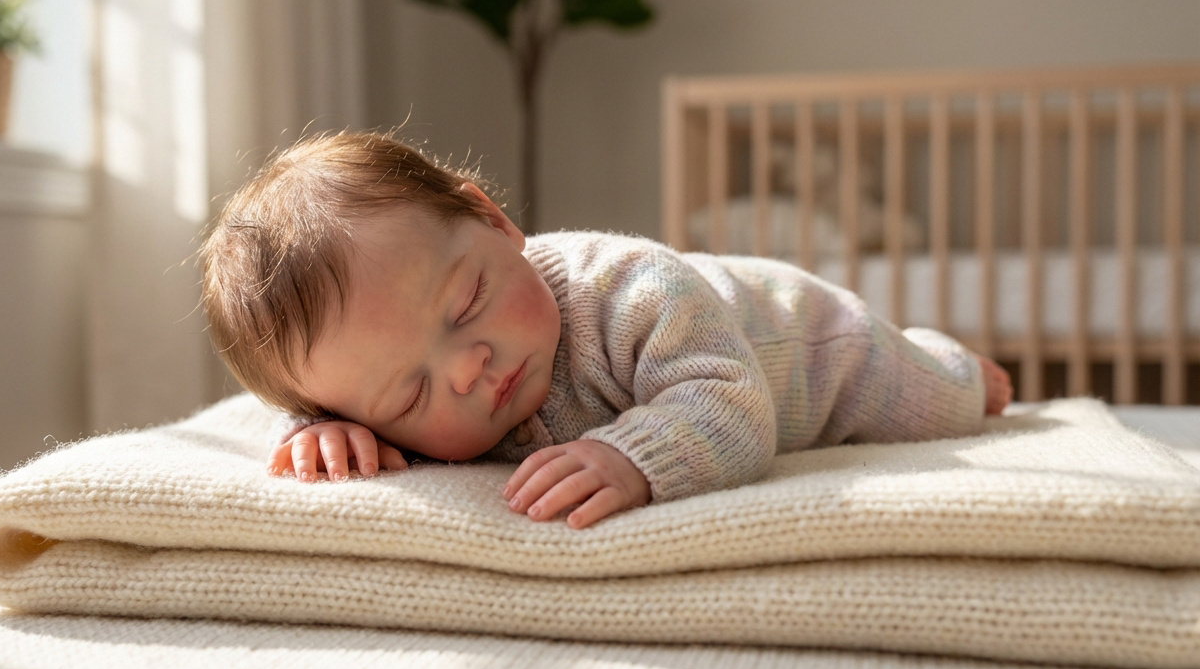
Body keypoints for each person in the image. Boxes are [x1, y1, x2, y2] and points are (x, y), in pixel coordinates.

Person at [199, 131, 1013, 529]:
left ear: (493, 220)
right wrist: (316, 429)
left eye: (468, 303)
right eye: (409, 392)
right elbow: (324, 391)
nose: (467, 368)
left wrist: (633, 455)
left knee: (935, 407)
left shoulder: (628, 290)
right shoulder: (365, 379)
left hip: (804, 343)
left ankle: (953, 362)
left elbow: (734, 405)